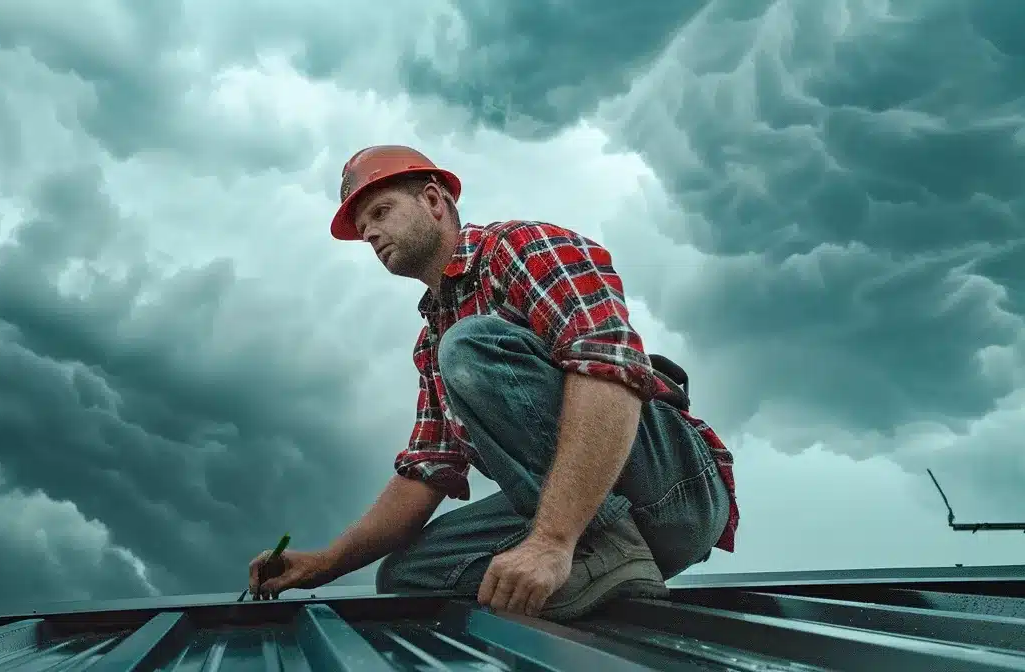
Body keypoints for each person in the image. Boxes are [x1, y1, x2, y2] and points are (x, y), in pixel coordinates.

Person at [246, 145, 739, 620]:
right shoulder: (431, 341)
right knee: (409, 574)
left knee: (470, 344)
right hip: (591, 521)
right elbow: (427, 471)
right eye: (362, 227)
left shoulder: (520, 248)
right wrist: (325, 562)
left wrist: (551, 542)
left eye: (381, 211)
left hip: (671, 491)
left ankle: (597, 547)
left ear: (435, 201)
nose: (371, 233)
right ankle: (592, 566)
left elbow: (609, 367)